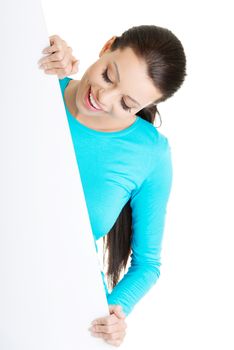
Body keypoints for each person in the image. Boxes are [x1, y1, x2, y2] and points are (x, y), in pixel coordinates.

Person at [38, 25, 187, 347]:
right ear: (107, 46)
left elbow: (147, 265)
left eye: (127, 103)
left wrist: (113, 311)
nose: (102, 98)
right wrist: (35, 49)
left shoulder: (151, 153)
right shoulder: (37, 84)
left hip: (57, 312)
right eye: (108, 75)